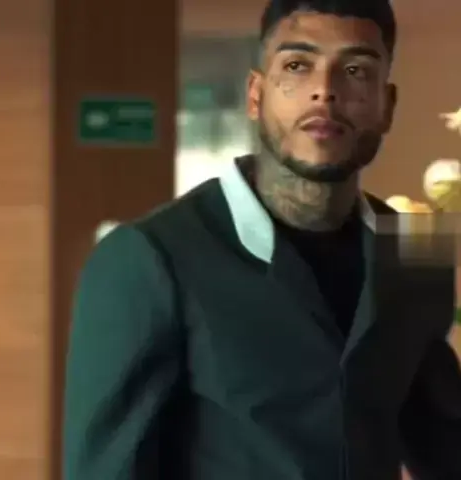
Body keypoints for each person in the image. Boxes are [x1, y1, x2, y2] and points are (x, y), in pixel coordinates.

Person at [63, 0, 461, 479]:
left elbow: (443, 443)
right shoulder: (148, 257)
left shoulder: (415, 245)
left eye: (356, 70)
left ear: (387, 105)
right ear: (256, 95)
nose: (325, 91)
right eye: (297, 66)